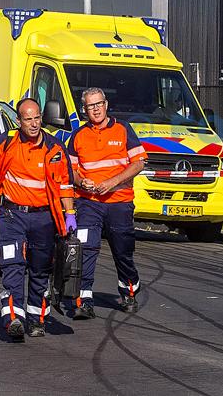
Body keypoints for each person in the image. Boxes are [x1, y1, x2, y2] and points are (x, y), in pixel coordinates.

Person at [0, 98, 76, 342]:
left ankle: (36, 320)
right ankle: (13, 318)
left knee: (40, 270)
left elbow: (65, 184)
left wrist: (70, 214)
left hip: (44, 218)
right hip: (13, 215)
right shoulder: (8, 142)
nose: (33, 124)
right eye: (28, 119)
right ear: (19, 121)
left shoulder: (54, 147)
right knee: (13, 266)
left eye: (37, 118)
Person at [67, 87, 148, 318]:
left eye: (99, 104)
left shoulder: (123, 129)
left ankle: (129, 289)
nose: (96, 109)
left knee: (122, 251)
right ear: (85, 110)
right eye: (91, 106)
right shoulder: (79, 135)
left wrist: (112, 182)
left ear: (106, 104)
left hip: (119, 202)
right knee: (86, 248)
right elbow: (70, 170)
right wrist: (81, 181)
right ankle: (84, 299)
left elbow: (139, 163)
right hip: (89, 202)